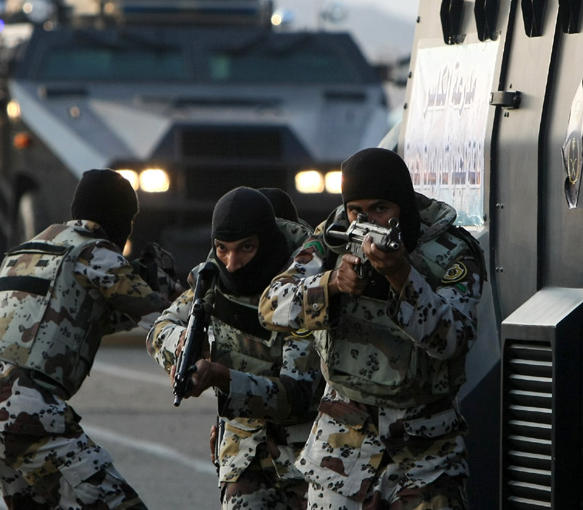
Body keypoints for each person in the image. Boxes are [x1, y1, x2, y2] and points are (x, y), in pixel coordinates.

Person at [258, 148, 485, 510]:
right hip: (341, 446)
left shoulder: (449, 251)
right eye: (356, 210)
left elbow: (453, 339)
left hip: (425, 453)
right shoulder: (332, 236)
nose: (368, 221)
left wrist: (401, 276)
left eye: (381, 208)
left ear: (402, 206)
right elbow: (271, 306)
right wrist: (332, 284)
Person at [0, 168, 176, 509]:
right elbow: (161, 321)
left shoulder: (32, 251)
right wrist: (183, 299)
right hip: (28, 414)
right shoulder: (96, 252)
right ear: (119, 219)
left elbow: (75, 322)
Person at [148, 186, 321, 510]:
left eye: (246, 248)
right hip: (243, 455)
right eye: (223, 249)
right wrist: (182, 345)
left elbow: (297, 396)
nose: (232, 263)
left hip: (306, 456)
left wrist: (224, 379)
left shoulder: (305, 288)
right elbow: (160, 329)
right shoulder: (213, 279)